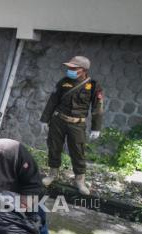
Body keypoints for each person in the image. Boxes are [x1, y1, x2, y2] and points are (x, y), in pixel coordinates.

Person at [40, 56, 104, 195]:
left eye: (74, 68)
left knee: (78, 151)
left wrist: (96, 127)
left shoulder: (93, 85)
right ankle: (52, 174)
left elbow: (97, 108)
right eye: (69, 67)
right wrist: (45, 119)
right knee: (54, 147)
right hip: (59, 121)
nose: (70, 70)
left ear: (84, 70)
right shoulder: (63, 82)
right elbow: (52, 101)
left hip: (77, 124)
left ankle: (80, 181)